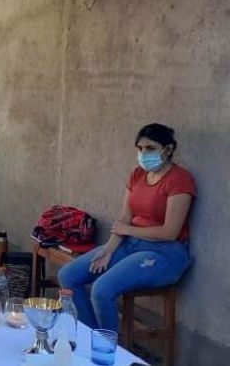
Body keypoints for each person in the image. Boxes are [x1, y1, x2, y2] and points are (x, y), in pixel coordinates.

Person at [58, 123, 195, 332]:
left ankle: (108, 353)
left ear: (167, 150)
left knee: (102, 289)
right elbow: (124, 219)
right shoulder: (137, 175)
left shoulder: (180, 180)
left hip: (164, 253)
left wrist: (129, 231)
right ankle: (90, 338)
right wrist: (108, 251)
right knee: (68, 275)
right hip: (130, 245)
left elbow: (170, 232)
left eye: (150, 148)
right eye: (140, 149)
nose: (143, 154)